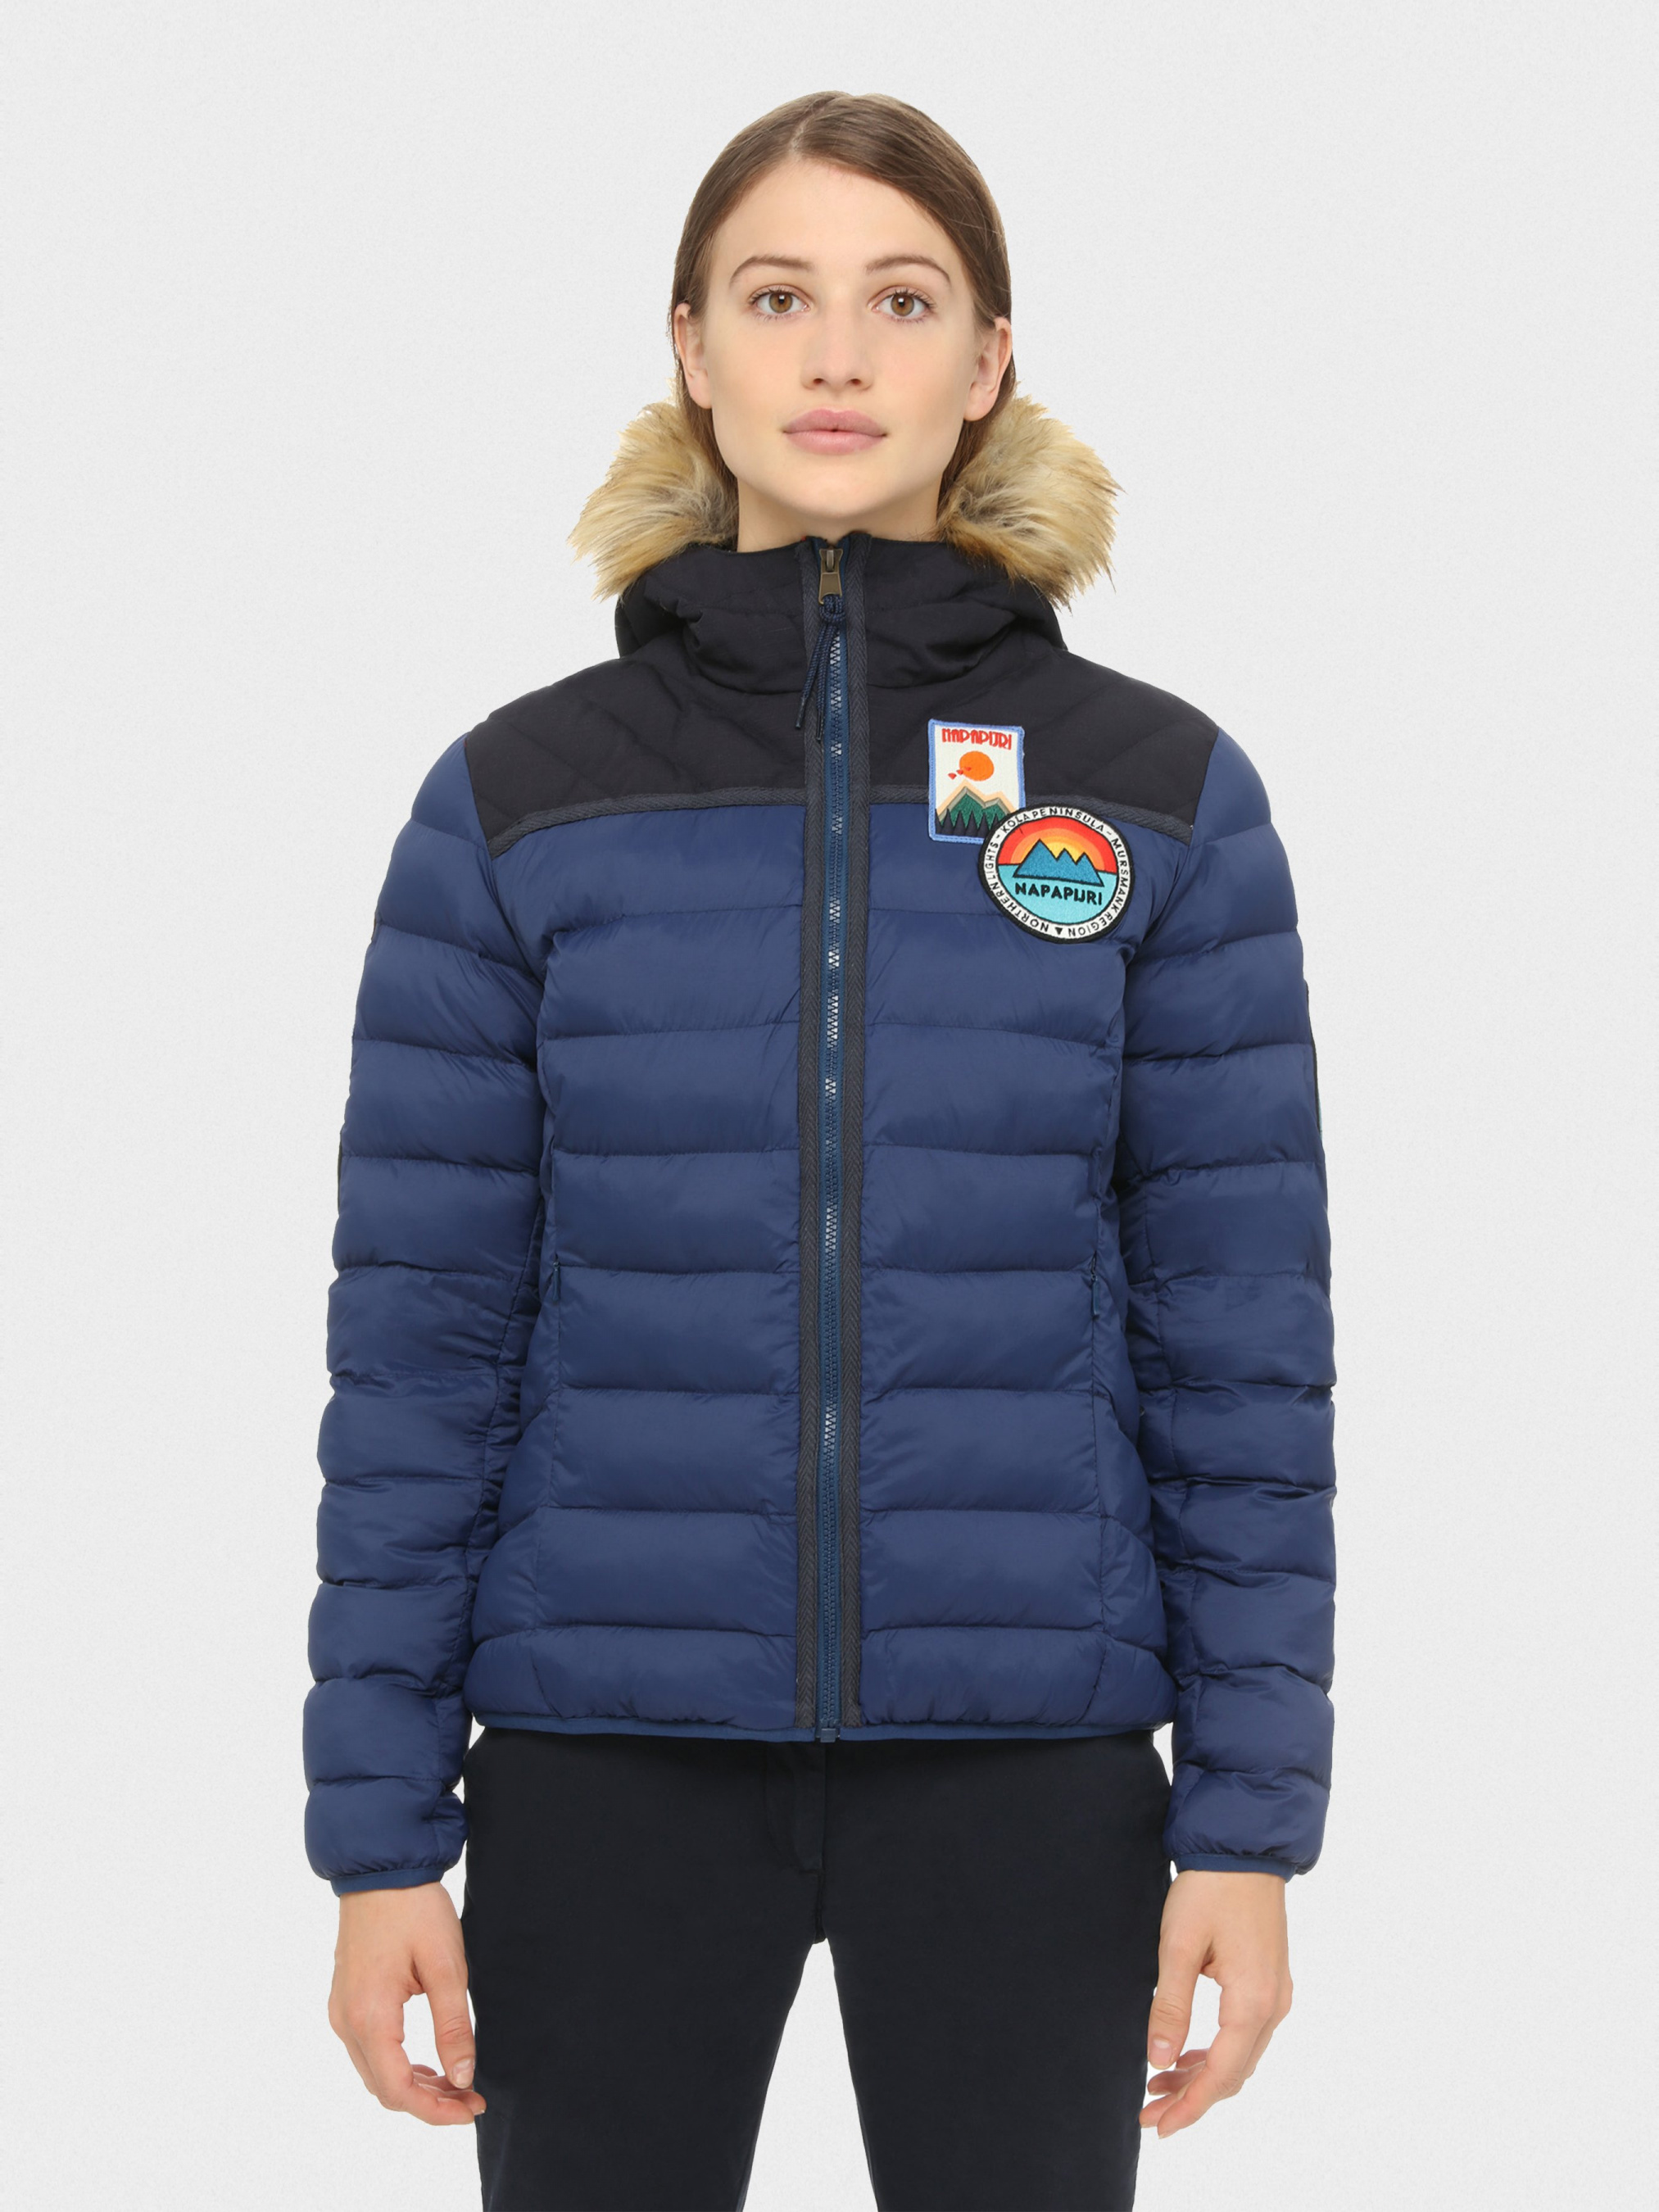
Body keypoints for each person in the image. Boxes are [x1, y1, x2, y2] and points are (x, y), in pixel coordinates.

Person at [303, 89, 1337, 2212]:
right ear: (691, 349)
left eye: (903, 300)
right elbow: (418, 1349)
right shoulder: (518, 801)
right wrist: (378, 1839)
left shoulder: (1155, 793)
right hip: (602, 1754)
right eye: (778, 299)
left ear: (991, 358)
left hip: (1030, 1763)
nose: (840, 356)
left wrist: (1246, 1822)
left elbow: (1241, 1346)